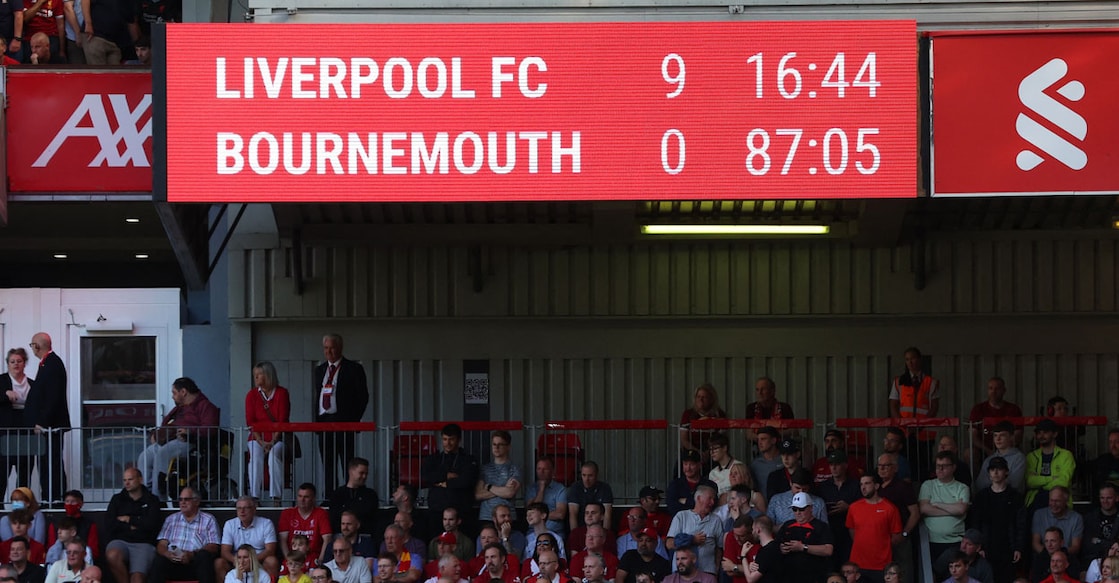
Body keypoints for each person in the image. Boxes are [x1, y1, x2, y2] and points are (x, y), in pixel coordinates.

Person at [136, 376, 220, 500]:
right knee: (145, 456)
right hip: (170, 440)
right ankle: (145, 496)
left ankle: (158, 498)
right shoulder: (179, 409)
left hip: (190, 442)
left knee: (162, 454)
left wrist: (189, 431)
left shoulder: (206, 406)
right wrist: (156, 434)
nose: (172, 396)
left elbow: (211, 429)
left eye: (174, 393)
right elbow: (165, 424)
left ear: (184, 392)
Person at [315, 334, 370, 493]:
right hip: (325, 422)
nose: (329, 351)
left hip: (344, 422)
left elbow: (363, 397)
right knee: (328, 463)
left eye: (332, 347)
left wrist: (353, 420)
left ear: (340, 348)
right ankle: (330, 496)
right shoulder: (320, 370)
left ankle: (350, 493)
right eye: (326, 348)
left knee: (347, 462)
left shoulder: (353, 368)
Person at [26, 331, 70, 505]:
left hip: (50, 427)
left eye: (32, 345)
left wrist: (42, 422)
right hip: (47, 427)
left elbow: (52, 397)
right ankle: (48, 496)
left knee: (52, 462)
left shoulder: (53, 364)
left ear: (37, 346)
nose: (32, 349)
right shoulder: (47, 364)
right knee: (45, 461)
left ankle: (54, 498)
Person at [967, 456, 1024, 583]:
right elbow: (975, 524)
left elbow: (1020, 524)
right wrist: (978, 547)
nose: (996, 472)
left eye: (999, 469)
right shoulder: (981, 497)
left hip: (1008, 548)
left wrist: (1018, 548)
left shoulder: (1015, 497)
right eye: (992, 469)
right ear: (988, 473)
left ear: (1006, 472)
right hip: (987, 548)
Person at [149, 487, 220, 583]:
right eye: (180, 499)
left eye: (186, 499)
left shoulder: (208, 519)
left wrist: (191, 555)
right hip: (173, 562)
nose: (182, 502)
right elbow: (161, 544)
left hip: (195, 563)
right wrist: (168, 554)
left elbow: (214, 546)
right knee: (159, 561)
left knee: (204, 556)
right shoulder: (171, 519)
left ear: (197, 502)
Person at [105, 468, 162, 583]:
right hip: (121, 541)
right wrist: (133, 525)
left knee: (137, 579)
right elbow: (110, 524)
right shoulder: (117, 499)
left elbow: (152, 525)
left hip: (144, 544)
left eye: (130, 479)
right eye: (124, 480)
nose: (126, 483)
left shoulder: (152, 500)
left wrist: (128, 519)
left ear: (140, 479)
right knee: (112, 555)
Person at [246, 361, 292, 502]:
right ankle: (254, 497)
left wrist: (272, 441)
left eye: (259, 374)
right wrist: (261, 441)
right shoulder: (252, 395)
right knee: (255, 456)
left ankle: (275, 497)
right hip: (256, 437)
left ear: (268, 375)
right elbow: (250, 422)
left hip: (278, 437)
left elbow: (282, 420)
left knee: (274, 455)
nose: (256, 377)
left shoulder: (282, 393)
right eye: (255, 375)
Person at [888, 347, 939, 475]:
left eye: (913, 358)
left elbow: (934, 407)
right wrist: (903, 424)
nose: (911, 362)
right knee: (903, 465)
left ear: (919, 360)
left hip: (923, 433)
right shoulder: (898, 381)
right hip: (903, 432)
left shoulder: (930, 382)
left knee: (923, 466)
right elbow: (893, 405)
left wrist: (920, 426)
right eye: (907, 359)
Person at [421, 424, 480, 533]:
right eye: (444, 439)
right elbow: (426, 477)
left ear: (459, 440)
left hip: (461, 511)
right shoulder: (433, 459)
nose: (447, 443)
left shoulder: (468, 459)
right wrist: (447, 476)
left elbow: (466, 481)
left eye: (451, 439)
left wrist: (444, 484)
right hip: (437, 511)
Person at [847, 474, 902, 583]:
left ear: (876, 486)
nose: (863, 487)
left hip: (882, 565)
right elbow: (852, 531)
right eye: (861, 484)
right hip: (857, 564)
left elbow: (896, 536)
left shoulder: (890, 508)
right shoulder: (853, 508)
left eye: (867, 483)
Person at [919, 451, 970, 562]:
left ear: (953, 467)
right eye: (938, 466)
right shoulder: (928, 485)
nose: (940, 469)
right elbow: (923, 509)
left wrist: (938, 504)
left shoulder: (962, 488)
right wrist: (953, 509)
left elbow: (961, 509)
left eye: (944, 466)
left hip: (956, 542)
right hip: (931, 541)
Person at [876, 453, 918, 583]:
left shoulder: (903, 486)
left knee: (903, 573)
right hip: (880, 539)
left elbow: (915, 513)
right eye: (880, 466)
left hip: (899, 539)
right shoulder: (876, 488)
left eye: (886, 466)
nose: (882, 469)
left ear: (895, 468)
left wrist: (904, 534)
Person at [776, 492, 834, 583]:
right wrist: (781, 548)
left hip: (812, 576)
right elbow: (775, 544)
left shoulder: (821, 526)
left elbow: (828, 550)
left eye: (802, 509)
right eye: (795, 509)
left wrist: (802, 547)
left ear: (811, 508)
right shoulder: (787, 525)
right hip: (788, 575)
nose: (798, 513)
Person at [666, 485, 724, 576]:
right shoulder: (681, 516)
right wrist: (691, 540)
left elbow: (719, 548)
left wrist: (716, 569)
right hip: (683, 574)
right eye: (710, 499)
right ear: (699, 498)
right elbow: (669, 544)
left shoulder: (716, 520)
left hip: (707, 573)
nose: (712, 502)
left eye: (714, 499)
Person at [219, 496, 279, 581]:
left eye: (246, 508)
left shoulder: (266, 523)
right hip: (238, 560)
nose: (242, 511)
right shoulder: (230, 524)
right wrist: (239, 562)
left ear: (254, 509)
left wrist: (252, 561)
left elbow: (270, 550)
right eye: (239, 508)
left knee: (271, 561)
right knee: (219, 563)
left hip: (259, 560)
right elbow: (224, 552)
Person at [817, 451, 860, 568]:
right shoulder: (823, 486)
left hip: (850, 535)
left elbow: (864, 509)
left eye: (837, 464)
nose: (834, 467)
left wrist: (849, 508)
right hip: (830, 533)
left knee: (849, 568)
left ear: (845, 465)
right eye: (831, 464)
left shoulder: (856, 485)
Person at [0, 348, 33, 498]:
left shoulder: (32, 383)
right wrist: (5, 394)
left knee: (24, 475)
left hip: (26, 433)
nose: (16, 364)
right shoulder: (1, 381)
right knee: (1, 474)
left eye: (19, 361)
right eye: (12, 361)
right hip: (5, 434)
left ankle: (21, 511)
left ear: (24, 363)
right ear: (7, 364)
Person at [968, 378, 1024, 465]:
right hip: (983, 450)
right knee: (969, 454)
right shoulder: (978, 409)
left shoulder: (1013, 409)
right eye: (990, 388)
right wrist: (988, 451)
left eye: (997, 388)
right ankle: (973, 479)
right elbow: (973, 436)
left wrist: (1002, 450)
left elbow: (1018, 435)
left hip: (1008, 449)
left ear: (1004, 390)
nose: (993, 392)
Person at [1026, 419, 1076, 511]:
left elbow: (1063, 481)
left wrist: (1040, 482)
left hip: (1060, 502)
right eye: (1039, 433)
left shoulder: (1066, 455)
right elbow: (1029, 482)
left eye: (1045, 432)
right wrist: (1052, 478)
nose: (1041, 436)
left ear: (1055, 434)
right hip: (1035, 502)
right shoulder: (1031, 456)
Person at [280, 483, 334, 567]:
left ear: (313, 499)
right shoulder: (287, 513)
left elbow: (327, 538)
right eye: (300, 496)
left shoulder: (321, 513)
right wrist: (289, 560)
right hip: (293, 557)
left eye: (306, 497)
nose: (302, 499)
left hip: (314, 557)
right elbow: (282, 540)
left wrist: (320, 561)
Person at [476, 431, 522, 523]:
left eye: (500, 444)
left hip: (507, 518)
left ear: (508, 447)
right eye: (494, 444)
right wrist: (503, 489)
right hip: (486, 517)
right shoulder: (484, 469)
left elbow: (509, 493)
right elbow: (478, 495)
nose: (496, 447)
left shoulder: (514, 469)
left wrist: (489, 487)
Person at [679, 384, 727, 468]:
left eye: (704, 397)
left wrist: (709, 452)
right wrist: (698, 452)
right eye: (698, 397)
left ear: (711, 399)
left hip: (713, 451)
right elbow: (684, 439)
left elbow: (722, 439)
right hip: (692, 450)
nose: (701, 400)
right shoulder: (688, 414)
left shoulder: (719, 415)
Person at [329, 457, 380, 535]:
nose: (364, 477)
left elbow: (373, 520)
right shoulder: (337, 494)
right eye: (361, 473)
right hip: (341, 537)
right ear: (351, 471)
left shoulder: (370, 495)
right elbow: (333, 519)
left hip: (364, 537)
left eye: (366, 474)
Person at [973, 422, 1027, 494]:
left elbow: (1015, 483)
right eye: (995, 435)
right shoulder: (989, 460)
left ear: (1011, 437)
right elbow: (980, 484)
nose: (998, 439)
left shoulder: (1019, 458)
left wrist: (994, 483)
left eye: (1002, 435)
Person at [1031, 487, 1083, 558]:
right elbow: (1035, 543)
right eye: (1051, 500)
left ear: (1066, 501)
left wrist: (1058, 557)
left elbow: (1075, 546)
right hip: (1044, 557)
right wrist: (1049, 556)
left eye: (1057, 501)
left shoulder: (1076, 518)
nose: (1053, 504)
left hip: (1066, 558)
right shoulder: (1039, 515)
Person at [50, 490, 101, 561]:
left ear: (81, 504)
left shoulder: (89, 524)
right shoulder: (56, 523)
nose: (69, 504)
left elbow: (93, 550)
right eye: (67, 501)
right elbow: (51, 546)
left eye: (73, 502)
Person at [525, 457, 568, 536]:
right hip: (533, 532)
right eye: (539, 469)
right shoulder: (531, 488)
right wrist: (541, 490)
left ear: (552, 471)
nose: (541, 472)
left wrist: (538, 516)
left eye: (545, 469)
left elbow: (560, 514)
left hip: (554, 532)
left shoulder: (560, 489)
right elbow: (531, 511)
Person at [567, 461, 615, 532]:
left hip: (599, 529)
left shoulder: (605, 488)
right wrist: (575, 535)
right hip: (581, 528)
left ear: (596, 475)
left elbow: (607, 515)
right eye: (584, 475)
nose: (586, 479)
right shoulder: (575, 487)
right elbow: (573, 514)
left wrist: (605, 535)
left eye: (590, 475)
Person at [668, 450, 718, 516]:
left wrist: (687, 501)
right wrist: (696, 504)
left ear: (699, 465)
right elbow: (672, 508)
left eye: (692, 464)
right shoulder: (674, 485)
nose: (688, 468)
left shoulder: (709, 485)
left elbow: (711, 505)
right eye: (685, 464)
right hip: (682, 524)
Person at [744, 377, 795, 441]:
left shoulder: (784, 407)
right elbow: (748, 434)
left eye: (763, 389)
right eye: (757, 390)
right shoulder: (751, 408)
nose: (760, 393)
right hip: (758, 446)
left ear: (772, 391)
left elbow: (794, 431)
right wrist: (764, 439)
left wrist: (775, 435)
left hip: (780, 445)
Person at [1082, 484, 1119, 565]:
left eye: (1109, 498)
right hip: (1094, 562)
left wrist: (1099, 541)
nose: (1105, 501)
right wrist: (1112, 544)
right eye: (1102, 498)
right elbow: (1088, 546)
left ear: (1117, 498)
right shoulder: (1090, 518)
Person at [744, 516, 782, 583]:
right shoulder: (778, 546)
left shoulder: (765, 552)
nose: (752, 532)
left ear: (758, 530)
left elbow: (750, 579)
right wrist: (750, 566)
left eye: (753, 529)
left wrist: (743, 556)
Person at [749, 428, 783, 500]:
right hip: (762, 506)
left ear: (773, 440)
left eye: (763, 439)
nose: (759, 443)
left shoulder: (784, 460)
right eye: (758, 440)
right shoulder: (755, 464)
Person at [721, 516, 756, 583]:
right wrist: (748, 569)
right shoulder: (731, 536)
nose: (737, 538)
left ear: (751, 532)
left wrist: (734, 567)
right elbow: (729, 571)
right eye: (735, 535)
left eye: (742, 536)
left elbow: (759, 571)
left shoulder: (758, 541)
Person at [707, 434, 737, 501]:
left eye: (715, 448)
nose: (712, 452)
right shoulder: (712, 473)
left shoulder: (738, 466)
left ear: (725, 448)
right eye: (710, 449)